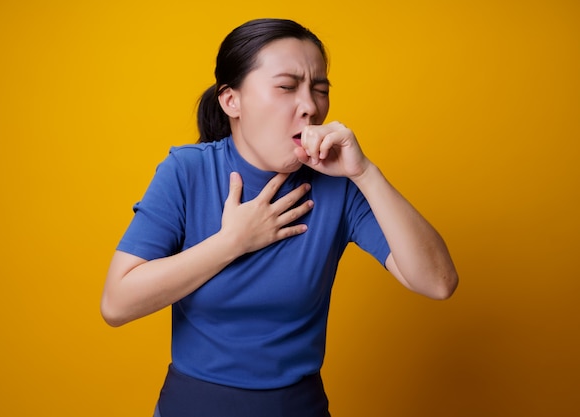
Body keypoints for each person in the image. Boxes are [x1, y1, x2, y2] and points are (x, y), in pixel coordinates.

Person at [101, 18, 458, 417]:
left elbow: (438, 283)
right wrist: (231, 242)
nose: (310, 106)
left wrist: (365, 174)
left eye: (319, 89)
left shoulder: (337, 184)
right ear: (231, 101)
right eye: (287, 87)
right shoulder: (186, 172)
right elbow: (116, 304)